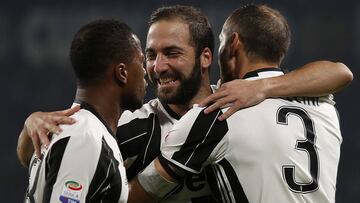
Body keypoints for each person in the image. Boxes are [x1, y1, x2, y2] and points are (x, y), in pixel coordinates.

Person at [17, 5, 352, 203]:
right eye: (150, 55)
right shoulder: (135, 127)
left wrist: (263, 87)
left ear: (207, 57)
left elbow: (339, 71)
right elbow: (46, 155)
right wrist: (32, 125)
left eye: (172, 53)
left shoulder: (232, 108)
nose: (158, 67)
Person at [132, 4, 348, 203]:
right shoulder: (325, 104)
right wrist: (262, 87)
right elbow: (341, 72)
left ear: (233, 43)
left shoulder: (217, 113)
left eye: (222, 42)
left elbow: (139, 194)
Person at [24, 19, 147, 202]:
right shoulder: (84, 138)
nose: (145, 72)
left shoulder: (79, 130)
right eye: (141, 61)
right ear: (122, 72)